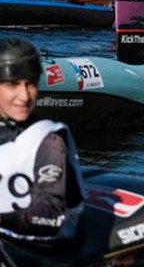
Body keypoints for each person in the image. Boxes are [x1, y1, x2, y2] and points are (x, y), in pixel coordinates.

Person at [0, 36, 84, 241]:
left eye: (30, 84)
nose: (24, 96)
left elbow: (50, 217)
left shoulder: (48, 140)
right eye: (12, 85)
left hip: (33, 249)